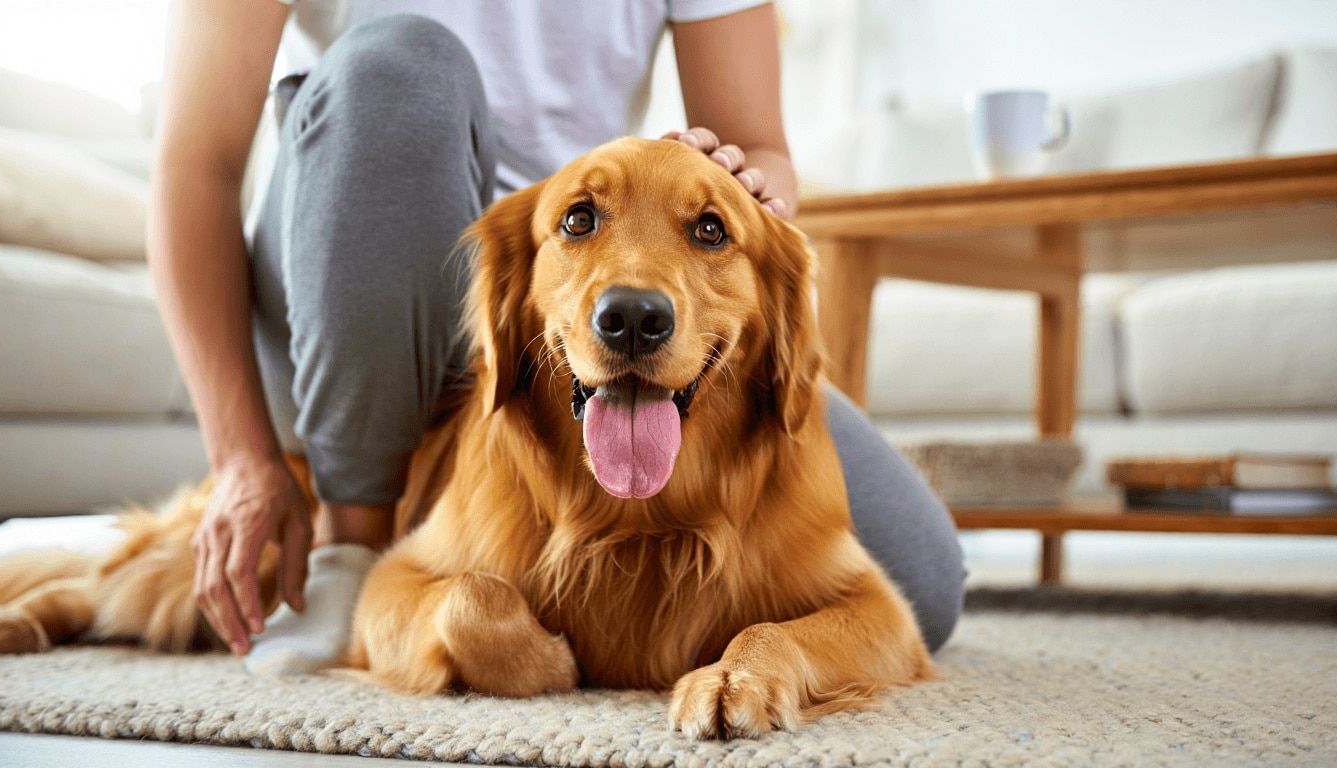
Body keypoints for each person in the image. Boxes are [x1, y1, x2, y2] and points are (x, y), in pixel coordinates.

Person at [148, 0, 965, 677]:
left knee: (918, 583)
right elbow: (195, 165)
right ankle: (351, 551)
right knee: (403, 63)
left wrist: (733, 182)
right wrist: (243, 461)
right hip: (361, 289)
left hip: (576, 301)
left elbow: (763, 153)